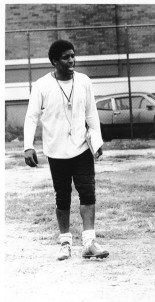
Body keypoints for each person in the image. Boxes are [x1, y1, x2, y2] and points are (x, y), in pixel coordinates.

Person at [23, 39, 109, 261]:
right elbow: (31, 117)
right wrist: (28, 146)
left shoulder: (84, 81)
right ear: (54, 61)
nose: (71, 60)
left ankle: (89, 243)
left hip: (81, 148)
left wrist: (97, 140)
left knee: (88, 193)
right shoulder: (42, 85)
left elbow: (91, 114)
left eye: (73, 55)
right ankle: (65, 243)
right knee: (62, 197)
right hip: (56, 151)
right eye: (66, 57)